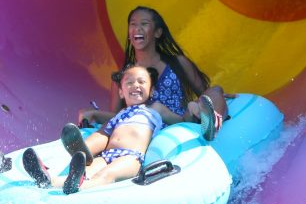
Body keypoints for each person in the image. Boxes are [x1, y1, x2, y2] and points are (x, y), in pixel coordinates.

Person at [22, 64, 195, 195]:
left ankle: (77, 184)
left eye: (142, 82)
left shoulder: (155, 108)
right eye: (129, 83)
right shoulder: (121, 114)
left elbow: (180, 121)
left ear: (151, 91)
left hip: (131, 156)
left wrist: (193, 111)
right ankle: (48, 179)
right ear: (121, 92)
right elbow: (106, 130)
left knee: (107, 175)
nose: (135, 85)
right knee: (86, 171)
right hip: (106, 155)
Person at [78, 6, 228, 140]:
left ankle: (212, 127)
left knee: (215, 90)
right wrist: (92, 113)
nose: (137, 28)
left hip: (182, 122)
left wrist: (218, 98)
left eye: (144, 24)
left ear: (157, 33)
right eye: (133, 24)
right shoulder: (124, 77)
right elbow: (117, 117)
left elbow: (204, 94)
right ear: (130, 35)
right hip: (148, 130)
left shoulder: (177, 63)